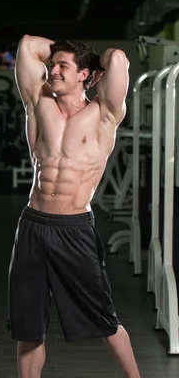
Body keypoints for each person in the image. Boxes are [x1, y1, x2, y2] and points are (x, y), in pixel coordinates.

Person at [8, 35, 140, 378]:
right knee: (28, 325)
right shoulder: (38, 102)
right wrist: (61, 53)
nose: (52, 70)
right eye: (52, 65)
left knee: (105, 319)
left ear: (86, 75)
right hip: (33, 225)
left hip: (74, 228)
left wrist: (95, 60)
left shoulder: (104, 113)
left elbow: (119, 59)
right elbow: (27, 45)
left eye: (63, 66)